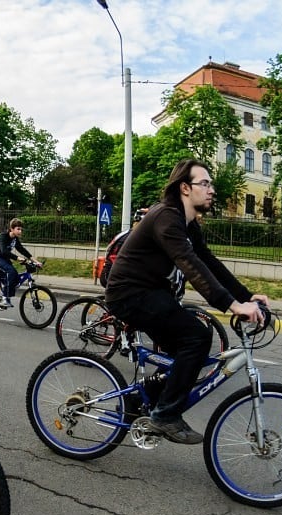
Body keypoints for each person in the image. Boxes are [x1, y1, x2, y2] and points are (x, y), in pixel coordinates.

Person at [104, 158, 268, 444]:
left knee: (187, 355)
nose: (211, 189)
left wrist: (245, 296)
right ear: (184, 188)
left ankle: (137, 400)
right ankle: (165, 415)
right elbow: (190, 265)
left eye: (211, 183)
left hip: (152, 293)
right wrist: (233, 306)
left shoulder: (188, 224)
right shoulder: (166, 217)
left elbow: (209, 263)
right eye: (204, 183)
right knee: (196, 337)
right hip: (129, 294)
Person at [0, 218, 33, 308]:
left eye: (21, 229)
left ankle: (4, 294)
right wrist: (17, 258)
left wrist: (36, 261)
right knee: (11, 271)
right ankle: (5, 298)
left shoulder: (15, 239)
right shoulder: (3, 236)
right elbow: (4, 251)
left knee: (14, 275)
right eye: (18, 229)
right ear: (11, 229)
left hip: (3, 258)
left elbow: (22, 250)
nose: (20, 231)